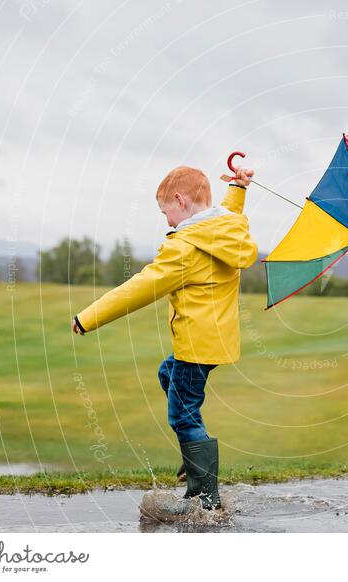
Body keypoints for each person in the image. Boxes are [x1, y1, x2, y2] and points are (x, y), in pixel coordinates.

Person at [71, 165, 257, 509]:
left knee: (182, 414)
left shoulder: (185, 248)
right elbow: (230, 211)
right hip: (217, 341)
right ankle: (196, 457)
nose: (167, 221)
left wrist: (88, 317)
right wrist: (238, 186)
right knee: (166, 374)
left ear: (179, 200)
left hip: (195, 346)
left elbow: (139, 288)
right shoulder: (223, 228)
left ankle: (205, 498)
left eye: (165, 211)